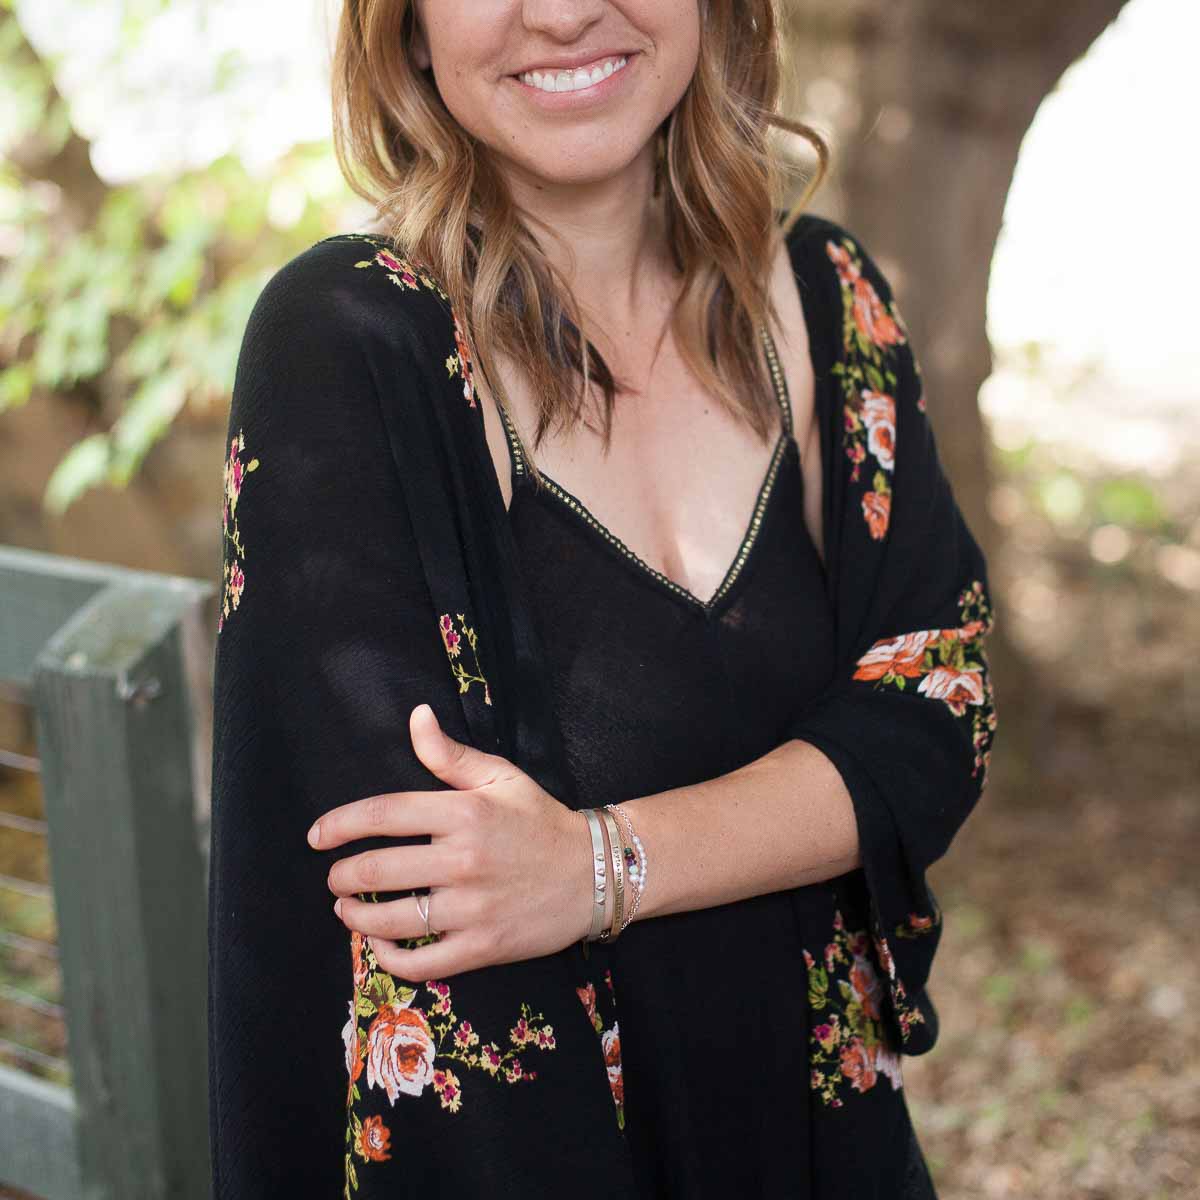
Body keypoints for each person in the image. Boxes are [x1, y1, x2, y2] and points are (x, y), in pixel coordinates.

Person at [207, 2, 996, 1197]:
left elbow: (939, 711)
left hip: (831, 1152)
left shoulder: (831, 298)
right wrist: (776, 809)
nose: (566, 11)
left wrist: (593, 867)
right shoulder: (349, 344)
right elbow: (433, 917)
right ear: (407, 26)